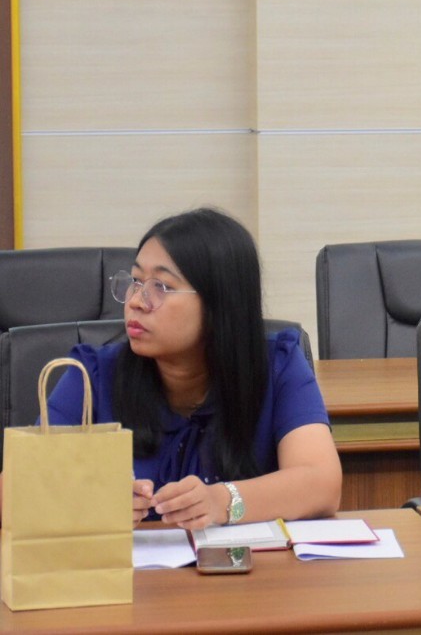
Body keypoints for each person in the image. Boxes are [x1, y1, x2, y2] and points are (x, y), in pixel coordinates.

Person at [0, 208, 342, 530]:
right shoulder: (91, 376)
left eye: (161, 287)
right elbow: (15, 492)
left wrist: (221, 501)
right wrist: (91, 503)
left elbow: (322, 484)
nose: (136, 301)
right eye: (136, 281)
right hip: (126, 572)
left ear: (220, 303)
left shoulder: (278, 365)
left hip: (247, 572)